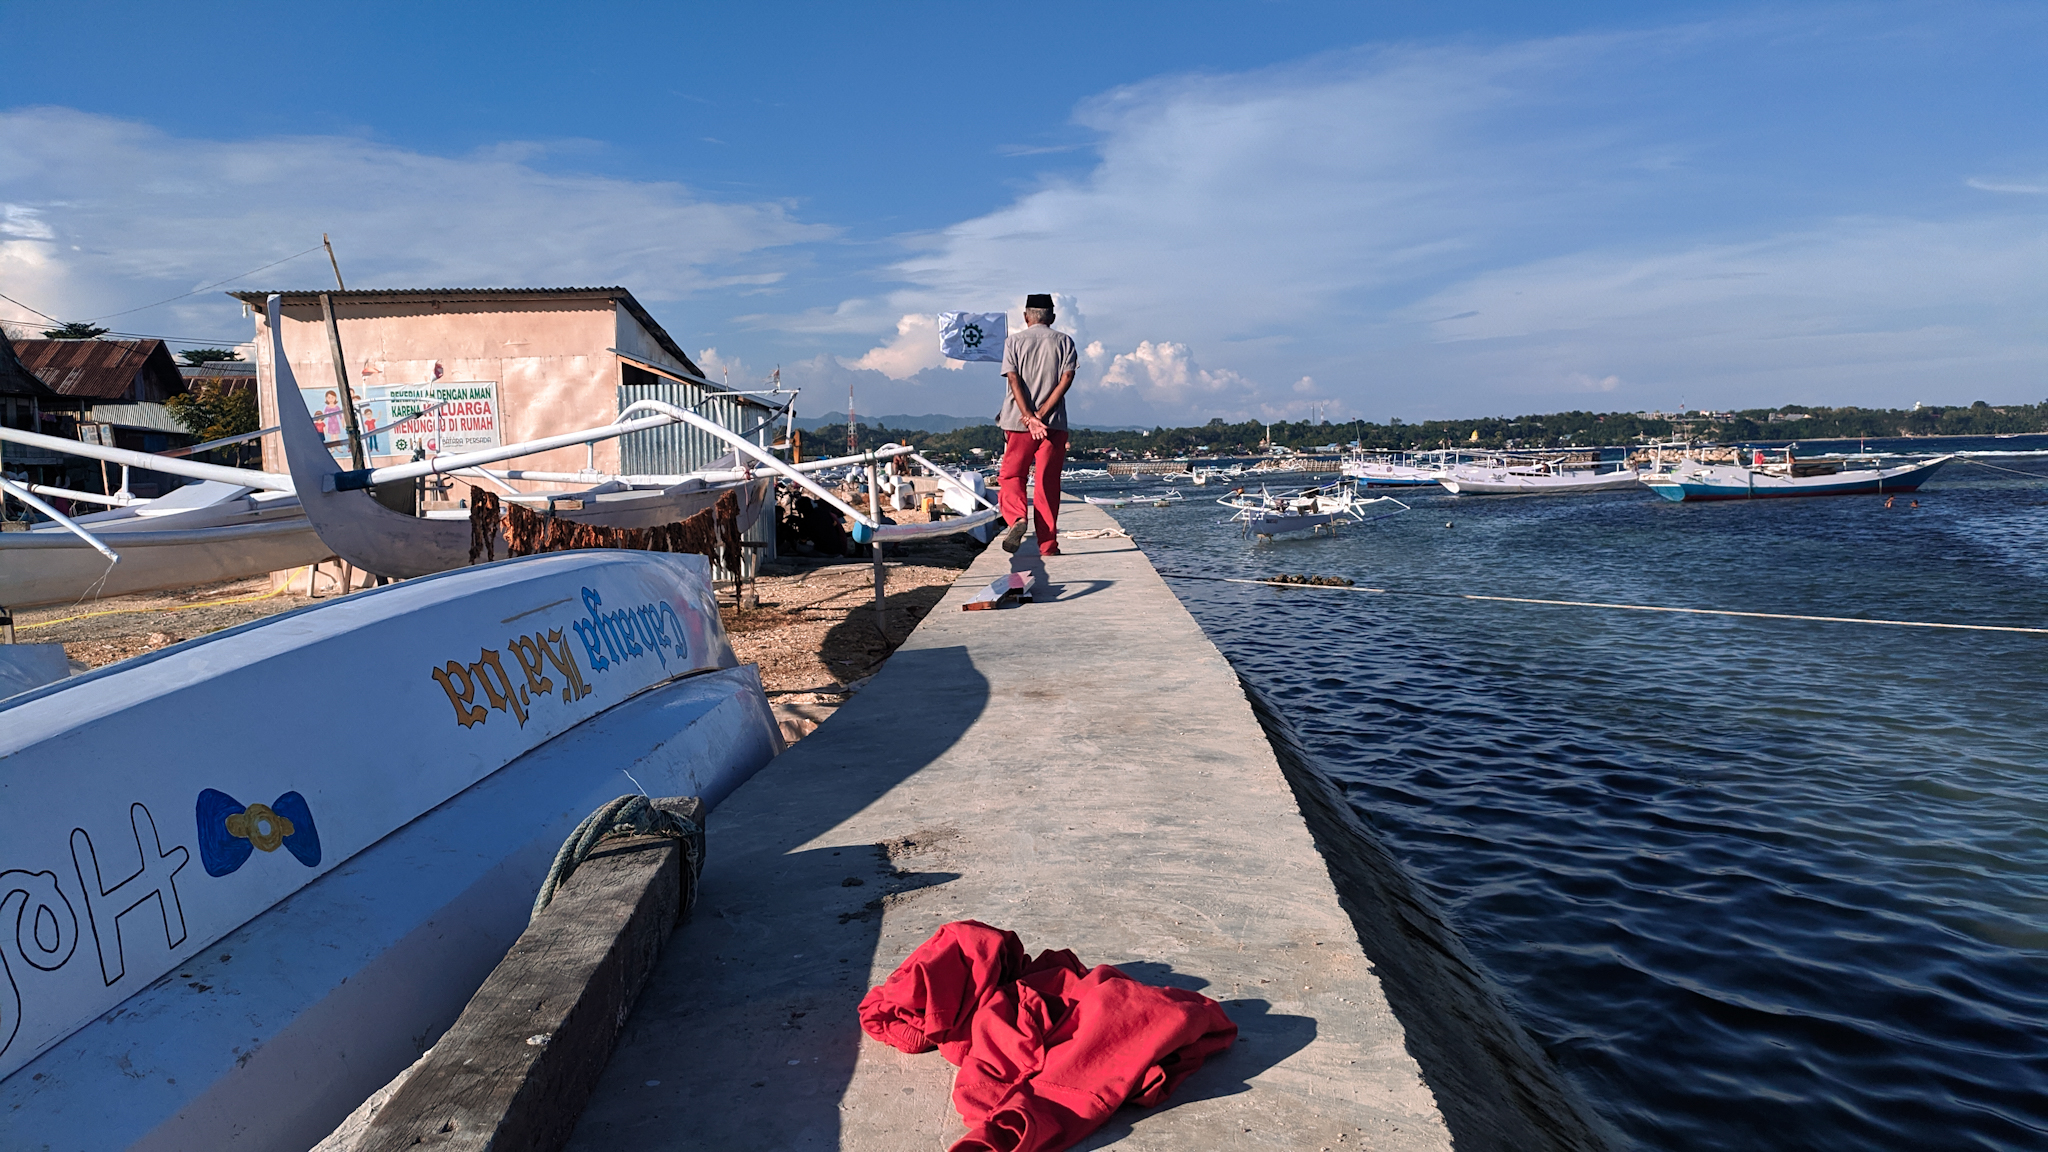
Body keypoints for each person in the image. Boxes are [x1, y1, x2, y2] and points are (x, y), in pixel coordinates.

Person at [997, 293, 1077, 554]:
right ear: (1052, 317)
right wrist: (1042, 414)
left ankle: (1017, 518)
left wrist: (1029, 417)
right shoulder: (1065, 341)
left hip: (1018, 421)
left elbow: (1013, 380)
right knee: (1047, 482)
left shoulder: (1014, 342)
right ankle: (1048, 544)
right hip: (1053, 423)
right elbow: (1066, 378)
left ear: (1025, 317)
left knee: (1012, 475)